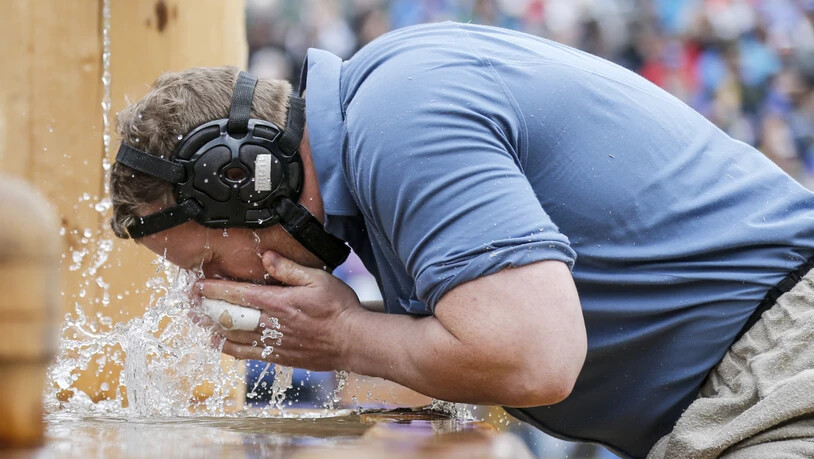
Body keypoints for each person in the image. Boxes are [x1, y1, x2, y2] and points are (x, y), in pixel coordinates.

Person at [109, 22, 814, 458]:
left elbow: (536, 355)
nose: (203, 287)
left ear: (247, 180)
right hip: (752, 383)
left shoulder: (400, 117)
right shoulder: (383, 116)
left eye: (203, 260)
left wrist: (346, 335)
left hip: (785, 368)